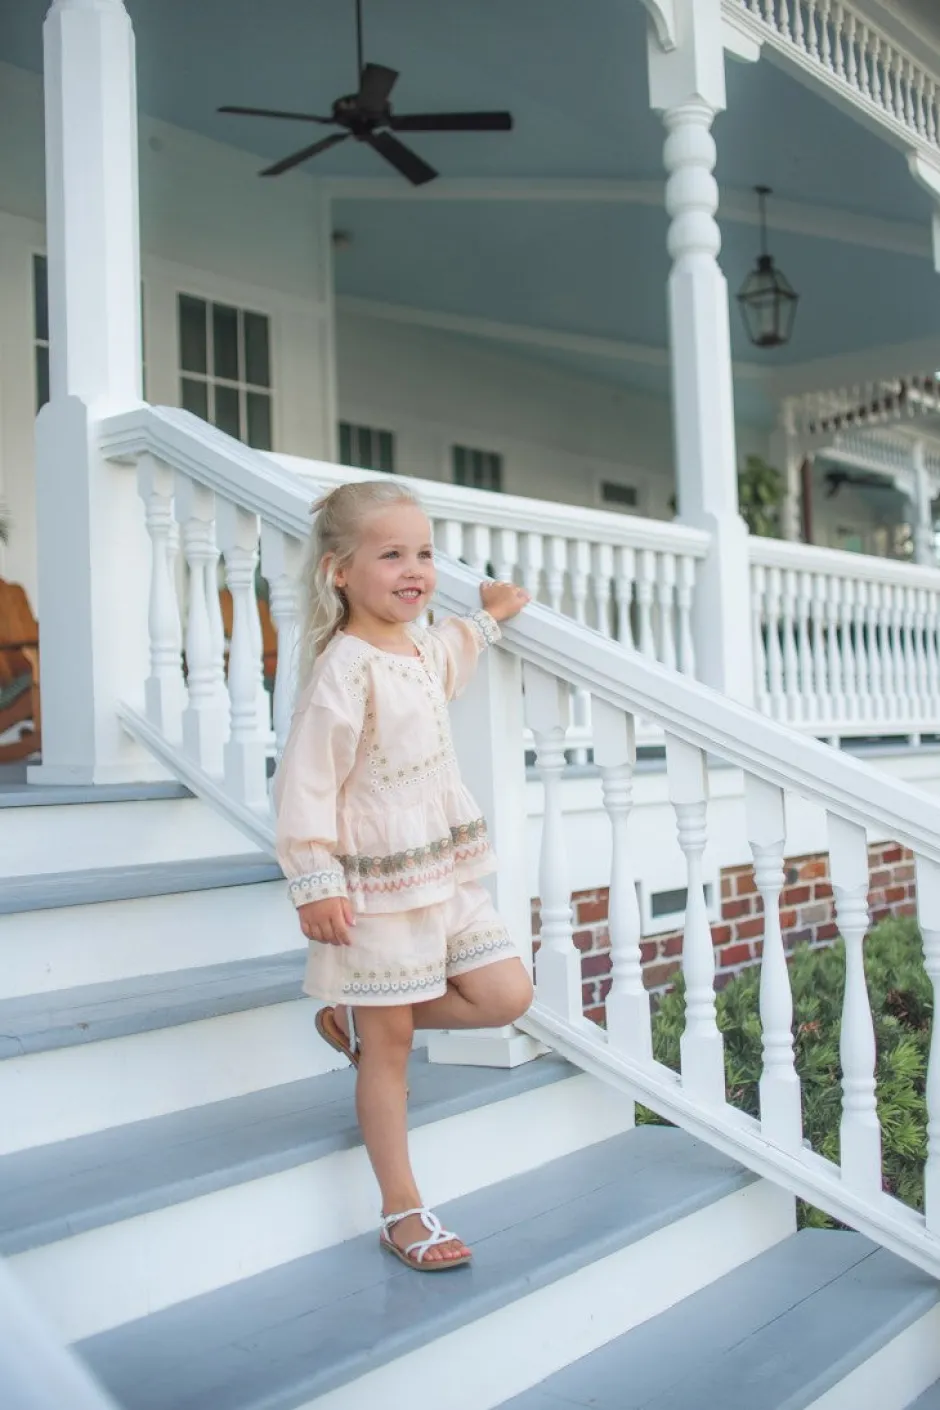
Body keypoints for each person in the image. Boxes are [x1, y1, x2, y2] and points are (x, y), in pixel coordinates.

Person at [274, 480, 534, 1272]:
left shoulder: (419, 649)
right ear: (340, 572)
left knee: (506, 994)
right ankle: (402, 1209)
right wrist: (315, 880)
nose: (415, 569)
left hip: (443, 871)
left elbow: (453, 655)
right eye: (391, 554)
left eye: (423, 552)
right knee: (389, 1052)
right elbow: (306, 783)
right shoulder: (344, 670)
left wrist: (488, 617)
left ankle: (357, 1018)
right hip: (373, 891)